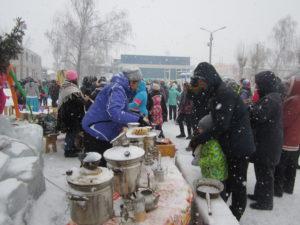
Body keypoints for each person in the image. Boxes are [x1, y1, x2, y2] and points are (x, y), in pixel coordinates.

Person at [189, 62, 255, 220]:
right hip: (232, 144)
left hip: (239, 146)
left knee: (238, 183)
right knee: (230, 181)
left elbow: (221, 125)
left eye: (203, 82)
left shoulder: (224, 94)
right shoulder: (217, 92)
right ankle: (228, 212)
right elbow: (206, 110)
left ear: (210, 79)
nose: (202, 86)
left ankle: (235, 216)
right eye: (200, 83)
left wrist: (198, 139)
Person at [82, 68, 148, 166]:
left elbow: (122, 111)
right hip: (96, 128)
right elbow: (115, 113)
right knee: (97, 167)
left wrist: (138, 117)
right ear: (132, 82)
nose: (137, 87)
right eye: (137, 83)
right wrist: (138, 119)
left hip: (102, 125)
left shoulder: (119, 88)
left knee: (101, 164)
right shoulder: (117, 89)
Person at [248, 71, 283, 210]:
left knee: (266, 173)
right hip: (266, 141)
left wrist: (249, 109)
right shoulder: (270, 96)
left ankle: (266, 202)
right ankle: (259, 195)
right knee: (260, 170)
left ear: (265, 84)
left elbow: (259, 115)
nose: (257, 87)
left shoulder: (272, 99)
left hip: (268, 143)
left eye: (258, 84)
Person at [274, 76, 300, 197]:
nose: (286, 87)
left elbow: (285, 121)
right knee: (291, 166)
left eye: (289, 85)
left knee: (281, 166)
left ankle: (278, 190)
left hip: (287, 139)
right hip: (295, 140)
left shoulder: (294, 101)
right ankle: (288, 187)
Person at [57, 70, 85, 158]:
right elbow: (76, 101)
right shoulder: (72, 89)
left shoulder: (66, 86)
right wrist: (84, 100)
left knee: (72, 132)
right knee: (71, 132)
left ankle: (72, 147)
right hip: (71, 115)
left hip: (68, 114)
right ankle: (68, 150)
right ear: (74, 79)